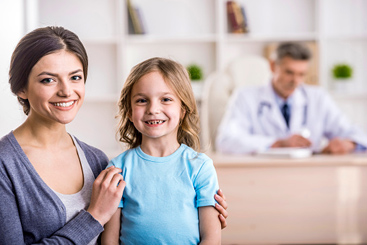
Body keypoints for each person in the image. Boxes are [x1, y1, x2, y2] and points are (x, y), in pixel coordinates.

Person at [0, 27, 228, 244]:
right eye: (48, 79)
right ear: (21, 87)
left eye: (75, 77)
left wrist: (198, 219)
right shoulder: (5, 164)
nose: (66, 91)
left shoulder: (98, 162)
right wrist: (94, 217)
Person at [101, 57, 221, 244]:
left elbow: (211, 238)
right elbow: (110, 239)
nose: (153, 109)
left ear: (183, 109)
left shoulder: (200, 167)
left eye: (166, 99)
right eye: (142, 100)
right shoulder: (118, 168)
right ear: (130, 111)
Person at [216, 42, 367, 155]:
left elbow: (357, 134)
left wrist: (349, 144)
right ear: (273, 66)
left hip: (308, 175)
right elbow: (226, 141)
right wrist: (277, 143)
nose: (296, 81)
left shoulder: (318, 97)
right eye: (289, 72)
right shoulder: (245, 96)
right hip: (262, 175)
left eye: (301, 74)